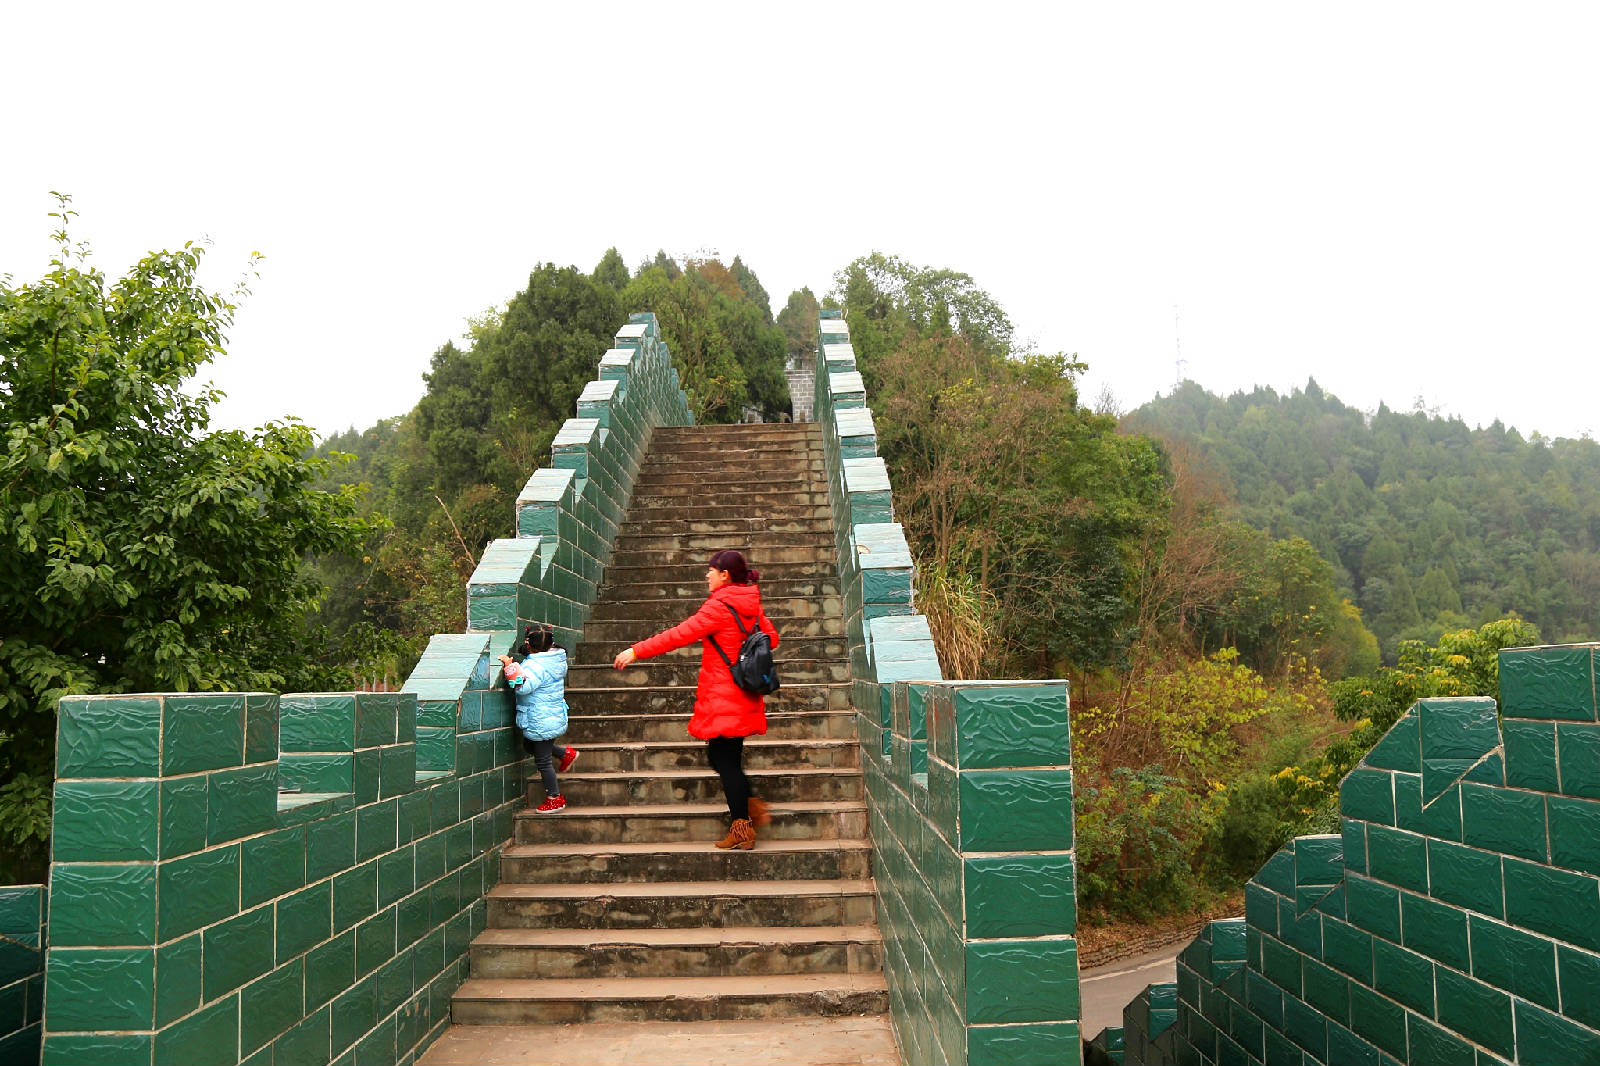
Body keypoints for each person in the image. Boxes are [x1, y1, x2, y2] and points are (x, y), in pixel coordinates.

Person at [613, 549, 780, 849]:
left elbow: (679, 634)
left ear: (725, 575)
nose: (707, 575)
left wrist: (636, 650)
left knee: (723, 760)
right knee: (725, 758)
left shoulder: (719, 607)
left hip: (722, 696)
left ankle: (742, 826)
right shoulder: (750, 604)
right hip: (744, 694)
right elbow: (773, 639)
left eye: (711, 570)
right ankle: (751, 807)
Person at [500, 624, 578, 813]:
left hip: (541, 718)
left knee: (543, 762)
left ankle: (555, 798)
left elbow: (523, 687)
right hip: (549, 715)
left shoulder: (535, 665)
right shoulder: (555, 659)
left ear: (529, 644)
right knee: (530, 745)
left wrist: (510, 667)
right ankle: (564, 754)